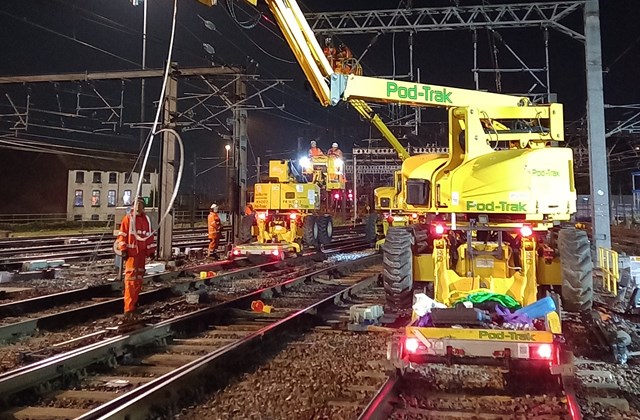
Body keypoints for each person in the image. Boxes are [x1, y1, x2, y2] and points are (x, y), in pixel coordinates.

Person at [116, 197, 156, 319]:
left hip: (141, 256)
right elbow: (122, 235)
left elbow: (149, 237)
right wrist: (123, 250)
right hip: (132, 255)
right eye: (137, 204)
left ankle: (134, 305)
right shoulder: (128, 219)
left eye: (141, 204)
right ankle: (128, 308)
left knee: (138, 280)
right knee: (131, 281)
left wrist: (151, 251)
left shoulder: (146, 220)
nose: (139, 207)